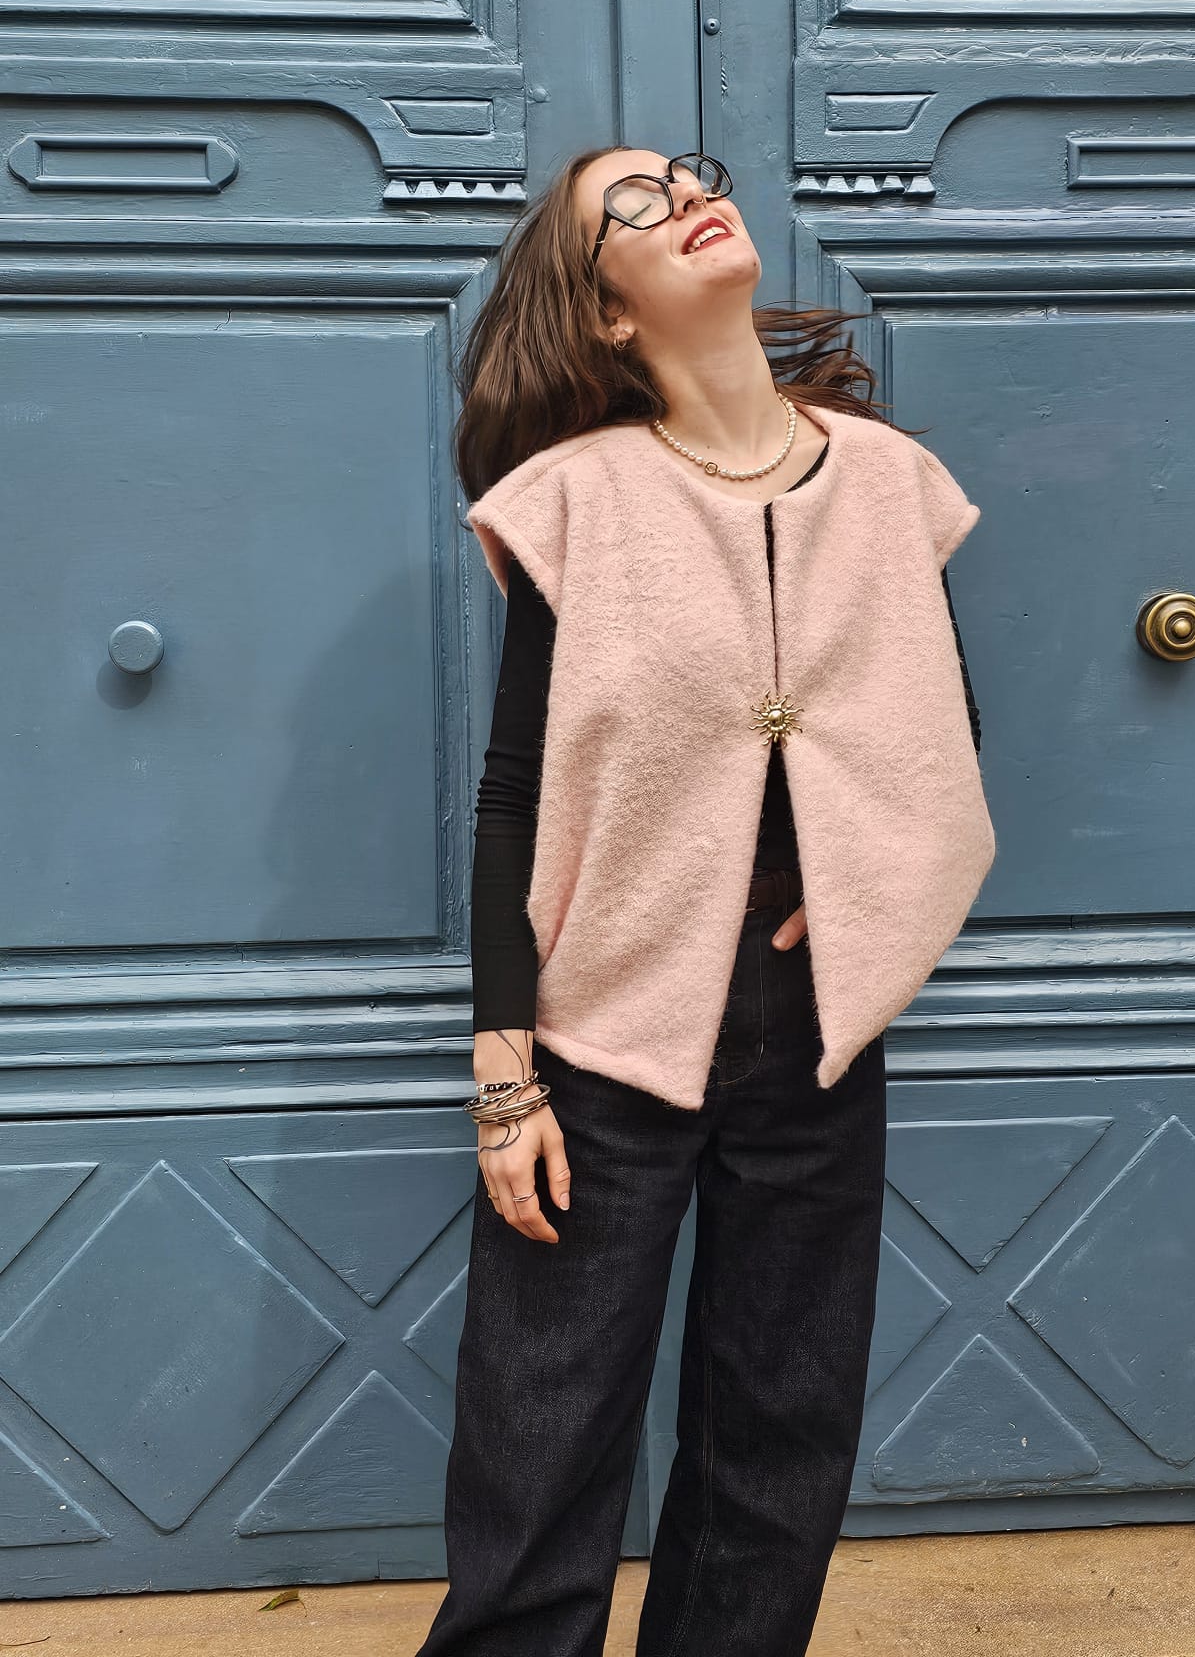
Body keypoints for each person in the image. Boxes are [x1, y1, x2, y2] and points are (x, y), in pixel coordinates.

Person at [414, 148, 996, 1657]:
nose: (683, 198)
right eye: (634, 205)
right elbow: (514, 797)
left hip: (815, 1022)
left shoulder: (889, 481)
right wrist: (504, 1076)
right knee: (539, 1453)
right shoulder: (575, 501)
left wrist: (864, 895)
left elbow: (937, 729)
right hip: (602, 1028)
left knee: (778, 1447)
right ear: (607, 312)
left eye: (687, 175)